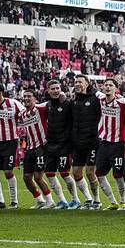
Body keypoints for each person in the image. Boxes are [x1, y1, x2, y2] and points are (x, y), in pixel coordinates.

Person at [0, 82, 24, 209]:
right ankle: (0, 201)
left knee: (8, 171)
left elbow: (25, 116)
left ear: (1, 93)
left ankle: (14, 201)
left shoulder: (14, 104)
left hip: (11, 142)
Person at [68, 74, 103, 210]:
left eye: (80, 82)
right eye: (75, 82)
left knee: (90, 172)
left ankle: (97, 201)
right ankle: (88, 199)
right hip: (78, 142)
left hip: (92, 142)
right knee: (76, 172)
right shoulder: (73, 101)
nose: (77, 84)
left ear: (87, 83)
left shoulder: (95, 99)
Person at [42, 80, 77, 209]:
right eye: (53, 89)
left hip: (64, 144)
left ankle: (75, 199)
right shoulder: (48, 105)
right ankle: (62, 201)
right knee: (49, 172)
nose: (55, 91)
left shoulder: (67, 104)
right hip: (51, 144)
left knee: (64, 172)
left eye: (57, 88)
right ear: (48, 91)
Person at [19, 89, 55, 209]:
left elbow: (52, 102)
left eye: (29, 96)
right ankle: (39, 200)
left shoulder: (41, 108)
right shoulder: (22, 114)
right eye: (24, 96)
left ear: (35, 98)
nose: (26, 98)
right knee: (26, 178)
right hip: (30, 148)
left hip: (42, 147)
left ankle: (50, 201)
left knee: (38, 177)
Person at [95, 77, 125, 210]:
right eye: (106, 85)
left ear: (116, 88)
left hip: (118, 143)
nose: (107, 87)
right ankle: (112, 202)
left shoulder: (122, 102)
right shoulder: (101, 98)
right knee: (99, 174)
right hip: (104, 143)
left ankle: (123, 201)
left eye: (110, 85)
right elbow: (92, 91)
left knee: (118, 174)